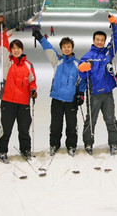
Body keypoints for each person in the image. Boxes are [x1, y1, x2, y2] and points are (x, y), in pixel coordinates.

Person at [32, 26, 86, 156]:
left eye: (68, 46)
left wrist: (81, 94)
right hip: (57, 98)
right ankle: (54, 144)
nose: (66, 49)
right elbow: (49, 49)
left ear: (72, 48)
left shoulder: (78, 64)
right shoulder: (58, 61)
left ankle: (71, 145)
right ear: (61, 49)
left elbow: (82, 80)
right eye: (64, 47)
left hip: (70, 100)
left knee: (71, 125)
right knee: (55, 124)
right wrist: (40, 38)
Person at [0, 16, 38, 163]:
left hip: (23, 102)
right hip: (8, 101)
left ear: (22, 49)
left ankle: (25, 149)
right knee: (6, 129)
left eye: (18, 48)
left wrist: (33, 90)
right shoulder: (7, 63)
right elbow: (2, 47)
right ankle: (1, 151)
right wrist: (3, 29)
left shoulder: (28, 65)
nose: (15, 51)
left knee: (24, 129)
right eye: (13, 49)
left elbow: (32, 81)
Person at [78, 15, 117, 155]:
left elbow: (116, 40)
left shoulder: (108, 53)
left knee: (110, 119)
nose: (100, 42)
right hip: (94, 94)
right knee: (91, 120)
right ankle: (88, 143)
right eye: (98, 40)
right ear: (93, 41)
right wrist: (83, 70)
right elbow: (83, 75)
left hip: (107, 93)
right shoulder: (87, 56)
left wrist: (114, 25)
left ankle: (113, 143)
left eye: (102, 40)